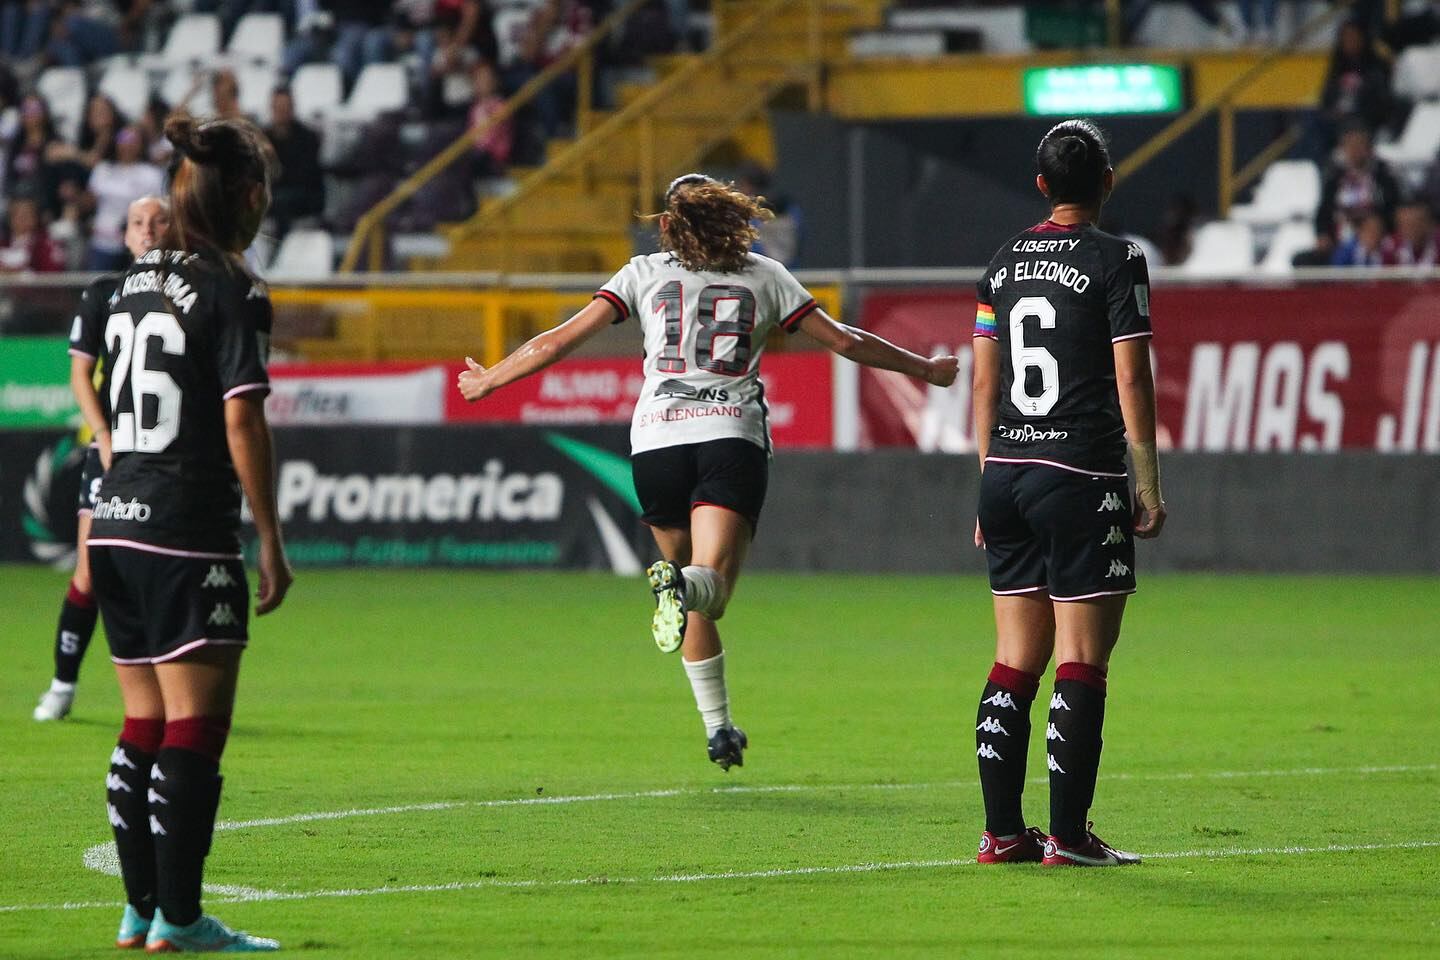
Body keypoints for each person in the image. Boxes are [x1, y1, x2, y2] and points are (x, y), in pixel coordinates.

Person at [458, 174, 958, 769]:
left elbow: (558, 341)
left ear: (668, 226)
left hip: (655, 444)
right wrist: (924, 371)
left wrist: (489, 379)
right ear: (733, 221)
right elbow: (845, 343)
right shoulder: (764, 275)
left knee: (689, 589)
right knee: (709, 593)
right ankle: (678, 586)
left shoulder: (641, 274)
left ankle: (718, 727)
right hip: (728, 436)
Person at [88, 113, 290, 952]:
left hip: (113, 523)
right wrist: (269, 538)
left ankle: (140, 911)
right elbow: (242, 418)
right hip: (185, 528)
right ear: (246, 197)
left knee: (142, 724)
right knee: (194, 731)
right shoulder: (235, 288)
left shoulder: (130, 282)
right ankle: (180, 916)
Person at [970, 119, 1165, 867]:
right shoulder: (1118, 259)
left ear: (1042, 186)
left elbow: (986, 380)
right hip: (1079, 472)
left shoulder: (1003, 261)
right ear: (1108, 182)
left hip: (1007, 472)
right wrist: (1146, 481)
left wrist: (987, 472)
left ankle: (1002, 833)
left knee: (1015, 659)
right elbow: (1132, 375)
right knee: (1082, 658)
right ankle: (1071, 838)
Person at [31, 196, 169, 723]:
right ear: (126, 235)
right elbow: (79, 375)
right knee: (91, 572)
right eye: (138, 223)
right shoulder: (104, 292)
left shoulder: (190, 293)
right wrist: (105, 436)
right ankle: (63, 683)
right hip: (113, 450)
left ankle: (167, 688)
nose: (149, 231)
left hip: (168, 456)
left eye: (159, 222)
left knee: (160, 572)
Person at [84, 125, 165, 271]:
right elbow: (88, 203)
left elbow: (160, 209)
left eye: (133, 139)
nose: (128, 144)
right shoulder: (103, 169)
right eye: (123, 138)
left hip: (139, 244)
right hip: (104, 242)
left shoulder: (152, 174)